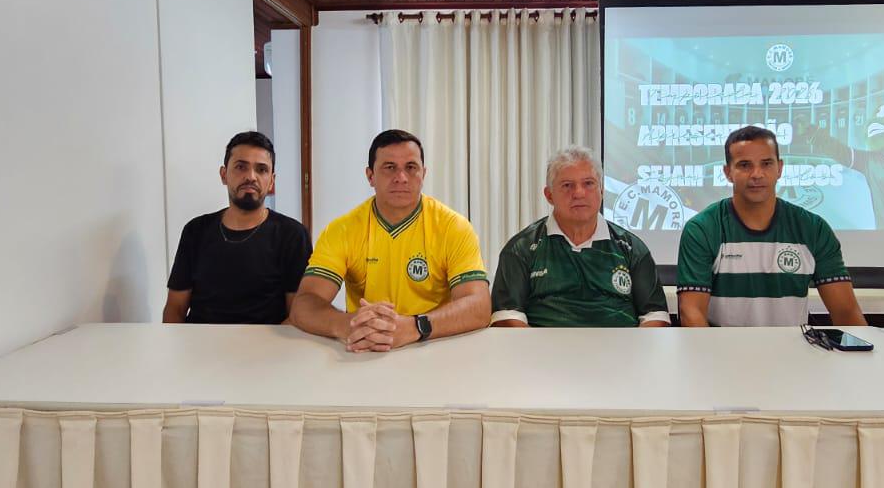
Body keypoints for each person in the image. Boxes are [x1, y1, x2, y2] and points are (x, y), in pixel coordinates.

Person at [289, 129, 490, 351]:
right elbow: (304, 304)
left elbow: (479, 306)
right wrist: (348, 325)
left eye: (411, 167)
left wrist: (415, 327)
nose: (401, 177)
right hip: (365, 348)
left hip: (434, 344)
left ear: (423, 174)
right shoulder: (342, 230)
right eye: (390, 167)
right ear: (370, 176)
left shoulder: (453, 227)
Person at [677, 125, 866, 327]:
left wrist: (864, 346)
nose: (757, 174)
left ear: (780, 168)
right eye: (744, 165)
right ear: (728, 172)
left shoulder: (813, 228)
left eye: (766, 164)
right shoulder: (702, 229)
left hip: (794, 348)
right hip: (722, 348)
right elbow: (691, 313)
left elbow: (846, 312)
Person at [491, 146, 669, 328]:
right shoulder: (521, 248)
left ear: (602, 190)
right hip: (543, 346)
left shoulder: (632, 248)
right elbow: (507, 317)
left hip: (620, 346)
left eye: (588, 183)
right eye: (567, 185)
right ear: (549, 195)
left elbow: (656, 316)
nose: (579, 193)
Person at [163, 131, 311, 324]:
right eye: (241, 167)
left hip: (267, 342)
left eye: (261, 170)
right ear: (224, 175)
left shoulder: (292, 235)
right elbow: (175, 308)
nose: (251, 177)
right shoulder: (196, 231)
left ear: (272, 181)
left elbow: (298, 315)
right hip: (201, 341)